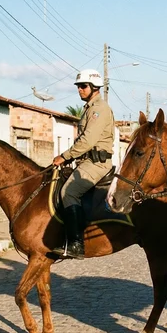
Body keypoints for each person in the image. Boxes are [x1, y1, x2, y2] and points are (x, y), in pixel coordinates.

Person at [50, 69, 114, 259]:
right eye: (78, 86)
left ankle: (76, 244)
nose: (80, 89)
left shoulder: (99, 109)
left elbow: (88, 140)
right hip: (86, 162)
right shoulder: (89, 108)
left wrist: (65, 156)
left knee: (69, 192)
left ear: (94, 87)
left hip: (97, 163)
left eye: (83, 86)